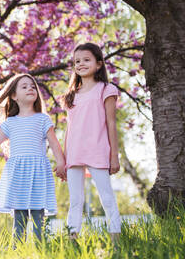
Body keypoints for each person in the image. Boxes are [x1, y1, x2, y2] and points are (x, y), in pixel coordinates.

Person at [0, 73, 66, 243]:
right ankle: (18, 251)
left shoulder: (42, 119)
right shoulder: (10, 123)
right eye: (24, 87)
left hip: (38, 173)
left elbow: (54, 144)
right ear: (14, 96)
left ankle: (40, 250)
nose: (30, 88)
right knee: (20, 218)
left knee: (38, 216)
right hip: (17, 175)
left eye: (32, 86)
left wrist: (61, 163)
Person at [61, 42, 122, 240]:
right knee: (75, 201)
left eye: (86, 60)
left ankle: (116, 241)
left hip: (98, 151)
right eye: (77, 61)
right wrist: (63, 159)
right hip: (74, 153)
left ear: (98, 64)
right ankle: (71, 241)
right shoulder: (71, 96)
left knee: (107, 198)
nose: (81, 64)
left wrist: (114, 156)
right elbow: (68, 129)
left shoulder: (106, 89)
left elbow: (111, 124)